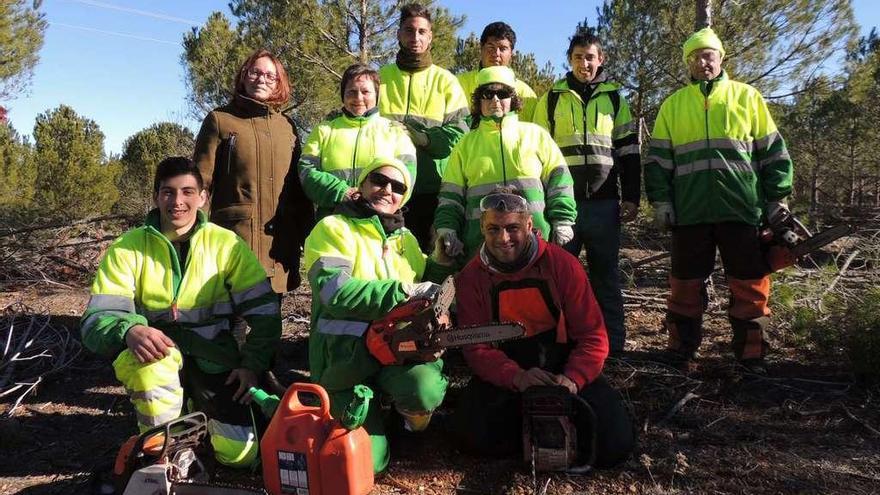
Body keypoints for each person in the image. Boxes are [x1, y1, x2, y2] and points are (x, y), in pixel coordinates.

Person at [80, 157, 281, 468]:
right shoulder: (127, 248)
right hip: (158, 357)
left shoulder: (226, 245)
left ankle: (194, 410)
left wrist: (251, 365)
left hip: (215, 359)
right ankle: (164, 450)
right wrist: (128, 330)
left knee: (239, 456)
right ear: (156, 196)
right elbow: (96, 323)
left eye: (188, 192)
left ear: (203, 198)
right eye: (168, 192)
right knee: (149, 370)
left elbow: (265, 312)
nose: (178, 201)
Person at [644, 28, 794, 372]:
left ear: (721, 57)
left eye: (708, 54)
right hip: (689, 213)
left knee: (750, 286)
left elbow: (773, 153)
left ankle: (751, 355)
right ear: (687, 62)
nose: (702, 61)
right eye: (695, 56)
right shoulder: (673, 105)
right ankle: (680, 350)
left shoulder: (748, 98)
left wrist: (776, 199)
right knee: (684, 285)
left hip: (742, 211)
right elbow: (657, 162)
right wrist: (662, 203)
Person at [451, 188, 635, 468]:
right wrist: (516, 377)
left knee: (615, 444)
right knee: (470, 436)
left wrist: (573, 379)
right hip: (508, 368)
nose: (503, 238)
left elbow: (593, 335)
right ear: (482, 228)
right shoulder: (471, 277)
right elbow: (476, 347)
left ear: (529, 225)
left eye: (512, 228)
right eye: (494, 229)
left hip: (562, 363)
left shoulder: (562, 264)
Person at [303, 156, 451, 474]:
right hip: (344, 359)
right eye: (379, 181)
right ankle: (372, 421)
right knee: (369, 463)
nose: (387, 190)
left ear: (405, 196)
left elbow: (424, 287)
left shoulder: (406, 240)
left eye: (397, 187)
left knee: (423, 389)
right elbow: (334, 293)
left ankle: (407, 424)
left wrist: (440, 262)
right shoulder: (332, 228)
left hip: (395, 349)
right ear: (363, 184)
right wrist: (400, 292)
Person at [533, 31, 641, 355]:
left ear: (601, 59)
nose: (585, 63)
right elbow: (537, 155)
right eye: (578, 57)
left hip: (605, 206)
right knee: (559, 281)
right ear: (570, 60)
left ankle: (614, 347)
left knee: (605, 278)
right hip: (564, 207)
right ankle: (559, 348)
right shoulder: (552, 98)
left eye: (590, 57)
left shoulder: (614, 99)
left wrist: (632, 197)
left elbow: (629, 151)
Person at [194, 49, 314, 295]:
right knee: (230, 326)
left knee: (269, 327)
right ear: (243, 76)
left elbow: (298, 192)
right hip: (233, 240)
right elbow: (200, 185)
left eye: (271, 76)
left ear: (279, 83)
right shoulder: (220, 120)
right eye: (255, 72)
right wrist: (194, 237)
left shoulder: (287, 127)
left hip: (279, 247)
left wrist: (309, 240)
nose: (262, 79)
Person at [434, 66, 576, 261]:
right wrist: (447, 228)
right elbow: (450, 196)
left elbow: (560, 181)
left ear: (514, 98)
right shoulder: (464, 144)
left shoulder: (536, 135)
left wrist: (563, 219)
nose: (495, 100)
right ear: (478, 100)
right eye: (487, 93)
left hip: (536, 244)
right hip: (480, 247)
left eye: (503, 93)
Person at [379, 3, 469, 251]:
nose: (415, 37)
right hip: (387, 190)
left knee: (434, 262)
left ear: (430, 36)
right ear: (398, 34)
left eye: (421, 32)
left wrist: (423, 139)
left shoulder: (446, 81)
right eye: (409, 30)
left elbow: (460, 134)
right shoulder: (380, 78)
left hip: (433, 190)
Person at [299, 63, 417, 220]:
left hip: (378, 222)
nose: (358, 98)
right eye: (351, 92)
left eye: (366, 92)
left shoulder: (396, 132)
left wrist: (372, 200)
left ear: (377, 95)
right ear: (343, 95)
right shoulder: (324, 130)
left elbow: (407, 179)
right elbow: (306, 171)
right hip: (332, 221)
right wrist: (342, 192)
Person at [456, 21, 539, 122]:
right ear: (481, 48)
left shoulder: (526, 94)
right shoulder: (457, 84)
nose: (496, 53)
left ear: (511, 53)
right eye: (491, 47)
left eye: (503, 49)